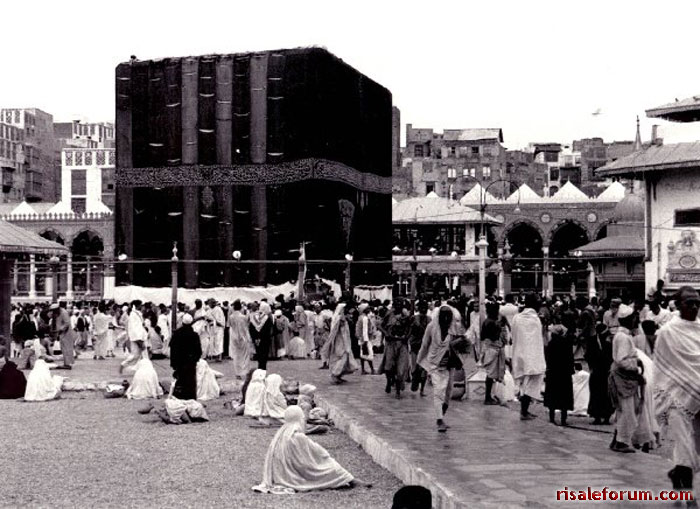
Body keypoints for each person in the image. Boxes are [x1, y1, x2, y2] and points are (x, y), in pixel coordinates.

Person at [252, 405, 365, 493]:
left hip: (282, 472)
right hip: (294, 472)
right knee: (328, 463)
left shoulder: (282, 433)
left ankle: (349, 479)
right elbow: (314, 454)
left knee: (325, 460)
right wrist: (323, 454)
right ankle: (349, 480)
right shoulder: (297, 436)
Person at [654, 286, 700, 495]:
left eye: (697, 302)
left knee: (695, 447)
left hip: (698, 396)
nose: (694, 306)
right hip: (675, 397)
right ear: (678, 305)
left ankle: (677, 474)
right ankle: (688, 496)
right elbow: (662, 367)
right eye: (689, 302)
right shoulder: (667, 331)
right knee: (684, 445)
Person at [417, 306, 466, 432]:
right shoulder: (431, 327)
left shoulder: (454, 327)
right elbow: (424, 345)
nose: (446, 319)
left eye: (448, 316)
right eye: (443, 316)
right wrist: (420, 363)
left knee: (448, 391)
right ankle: (439, 419)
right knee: (438, 391)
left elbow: (460, 344)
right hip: (435, 364)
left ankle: (442, 412)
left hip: (449, 364)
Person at [608, 303, 644, 453]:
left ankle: (617, 440)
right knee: (627, 410)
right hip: (623, 378)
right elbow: (622, 360)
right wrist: (636, 365)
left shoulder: (623, 335)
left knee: (624, 410)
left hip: (624, 378)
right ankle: (621, 442)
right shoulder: (623, 337)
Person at [511, 293, 546, 420]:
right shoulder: (536, 319)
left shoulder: (517, 318)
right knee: (532, 383)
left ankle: (524, 410)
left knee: (523, 383)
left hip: (519, 353)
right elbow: (538, 339)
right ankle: (524, 411)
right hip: (533, 355)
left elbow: (513, 335)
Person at [378, 300, 411, 399]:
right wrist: (386, 333)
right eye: (396, 305)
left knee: (400, 369)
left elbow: (410, 328)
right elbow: (380, 325)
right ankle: (389, 382)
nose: (398, 306)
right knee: (388, 367)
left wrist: (407, 337)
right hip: (391, 343)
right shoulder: (389, 315)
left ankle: (397, 390)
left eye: (400, 305)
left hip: (402, 344)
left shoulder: (406, 315)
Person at [544, 323, 574, 426]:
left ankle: (552, 418)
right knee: (564, 398)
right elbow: (570, 359)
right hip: (564, 374)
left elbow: (547, 359)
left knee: (552, 396)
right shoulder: (567, 344)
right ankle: (563, 419)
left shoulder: (551, 344)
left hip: (553, 373)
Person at [322, 303, 358, 384]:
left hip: (343, 340)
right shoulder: (339, 319)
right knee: (341, 357)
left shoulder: (339, 318)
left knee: (343, 357)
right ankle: (335, 374)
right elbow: (338, 330)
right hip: (341, 341)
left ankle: (339, 375)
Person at [585, 323, 614, 425]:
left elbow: (587, 356)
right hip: (603, 371)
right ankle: (604, 417)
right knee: (604, 394)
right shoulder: (606, 343)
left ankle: (599, 417)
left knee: (598, 393)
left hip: (599, 371)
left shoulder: (593, 341)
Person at [169, 314, 202, 400]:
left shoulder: (176, 334)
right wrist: (194, 360)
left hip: (180, 363)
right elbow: (198, 351)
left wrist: (173, 363)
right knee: (190, 383)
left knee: (180, 382)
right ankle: (191, 401)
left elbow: (173, 350)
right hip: (190, 364)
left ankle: (179, 400)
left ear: (182, 323)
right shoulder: (194, 335)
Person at [481, 301, 507, 405]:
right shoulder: (492, 322)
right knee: (491, 375)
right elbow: (495, 337)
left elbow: (483, 336)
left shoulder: (486, 321)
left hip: (489, 348)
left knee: (491, 374)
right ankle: (488, 398)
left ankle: (490, 396)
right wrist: (501, 326)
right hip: (493, 350)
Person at [408, 301, 430, 394]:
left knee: (423, 368)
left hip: (424, 346)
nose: (423, 310)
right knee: (415, 366)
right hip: (416, 345)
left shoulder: (429, 319)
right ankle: (415, 381)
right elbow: (410, 330)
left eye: (425, 308)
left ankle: (422, 389)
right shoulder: (414, 318)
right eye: (422, 308)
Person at [120, 300, 147, 374]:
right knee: (140, 356)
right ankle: (124, 365)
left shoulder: (136, 314)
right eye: (141, 305)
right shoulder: (134, 315)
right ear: (138, 306)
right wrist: (139, 341)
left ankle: (125, 365)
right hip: (137, 338)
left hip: (137, 338)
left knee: (136, 356)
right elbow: (136, 329)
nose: (142, 307)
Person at [228, 300, 252, 378]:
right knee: (245, 355)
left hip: (234, 337)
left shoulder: (231, 317)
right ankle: (245, 371)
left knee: (236, 355)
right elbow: (245, 328)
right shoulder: (243, 317)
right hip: (243, 337)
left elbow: (230, 326)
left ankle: (237, 373)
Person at [250, 302, 274, 370]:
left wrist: (254, 338)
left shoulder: (254, 317)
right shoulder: (267, 318)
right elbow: (269, 329)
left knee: (259, 353)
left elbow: (251, 329)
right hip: (265, 339)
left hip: (256, 339)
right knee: (264, 355)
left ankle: (259, 368)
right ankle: (263, 369)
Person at [50, 304, 74, 370]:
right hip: (62, 333)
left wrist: (60, 330)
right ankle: (66, 363)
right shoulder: (58, 313)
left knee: (66, 348)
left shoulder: (64, 312)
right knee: (63, 348)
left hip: (66, 333)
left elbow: (67, 323)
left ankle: (67, 364)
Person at [357, 303, 376, 375]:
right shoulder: (365, 318)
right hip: (366, 338)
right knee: (369, 354)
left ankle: (363, 369)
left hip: (362, 338)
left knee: (363, 354)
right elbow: (365, 330)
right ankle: (372, 369)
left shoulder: (360, 317)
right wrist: (366, 340)